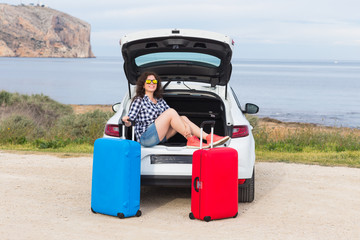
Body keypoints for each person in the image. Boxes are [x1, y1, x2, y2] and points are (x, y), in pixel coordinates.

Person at [122, 72, 230, 148]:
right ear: (143, 84)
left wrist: (186, 125)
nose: (152, 83)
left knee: (182, 118)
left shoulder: (159, 101)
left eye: (154, 81)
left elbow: (175, 118)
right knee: (171, 112)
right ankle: (191, 139)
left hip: (160, 136)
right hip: (146, 138)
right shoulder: (139, 100)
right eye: (148, 81)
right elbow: (130, 119)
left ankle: (209, 137)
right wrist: (126, 121)